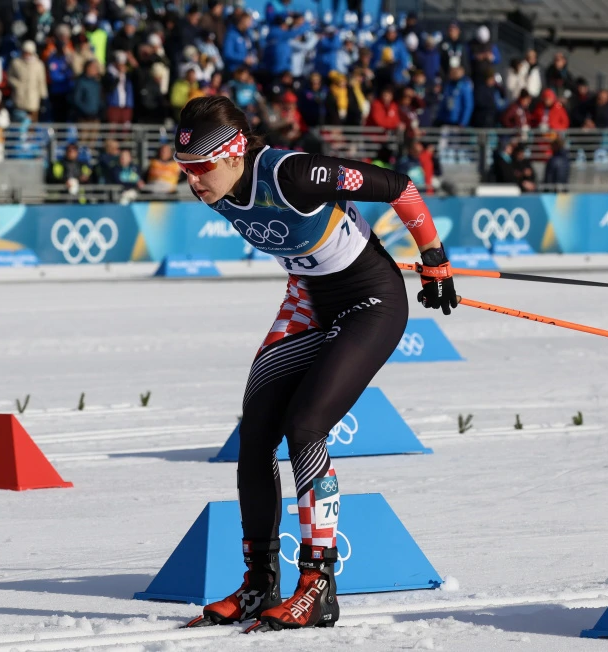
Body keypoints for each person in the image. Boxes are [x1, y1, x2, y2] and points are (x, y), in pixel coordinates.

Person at [175, 96, 456, 632]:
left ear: (235, 153)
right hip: (308, 299)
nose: (193, 181)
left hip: (370, 301)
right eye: (185, 170)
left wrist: (435, 259)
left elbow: (400, 186)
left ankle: (318, 587)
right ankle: (259, 585)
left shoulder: (294, 174)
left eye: (202, 167)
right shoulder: (217, 190)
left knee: (305, 427)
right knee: (255, 434)